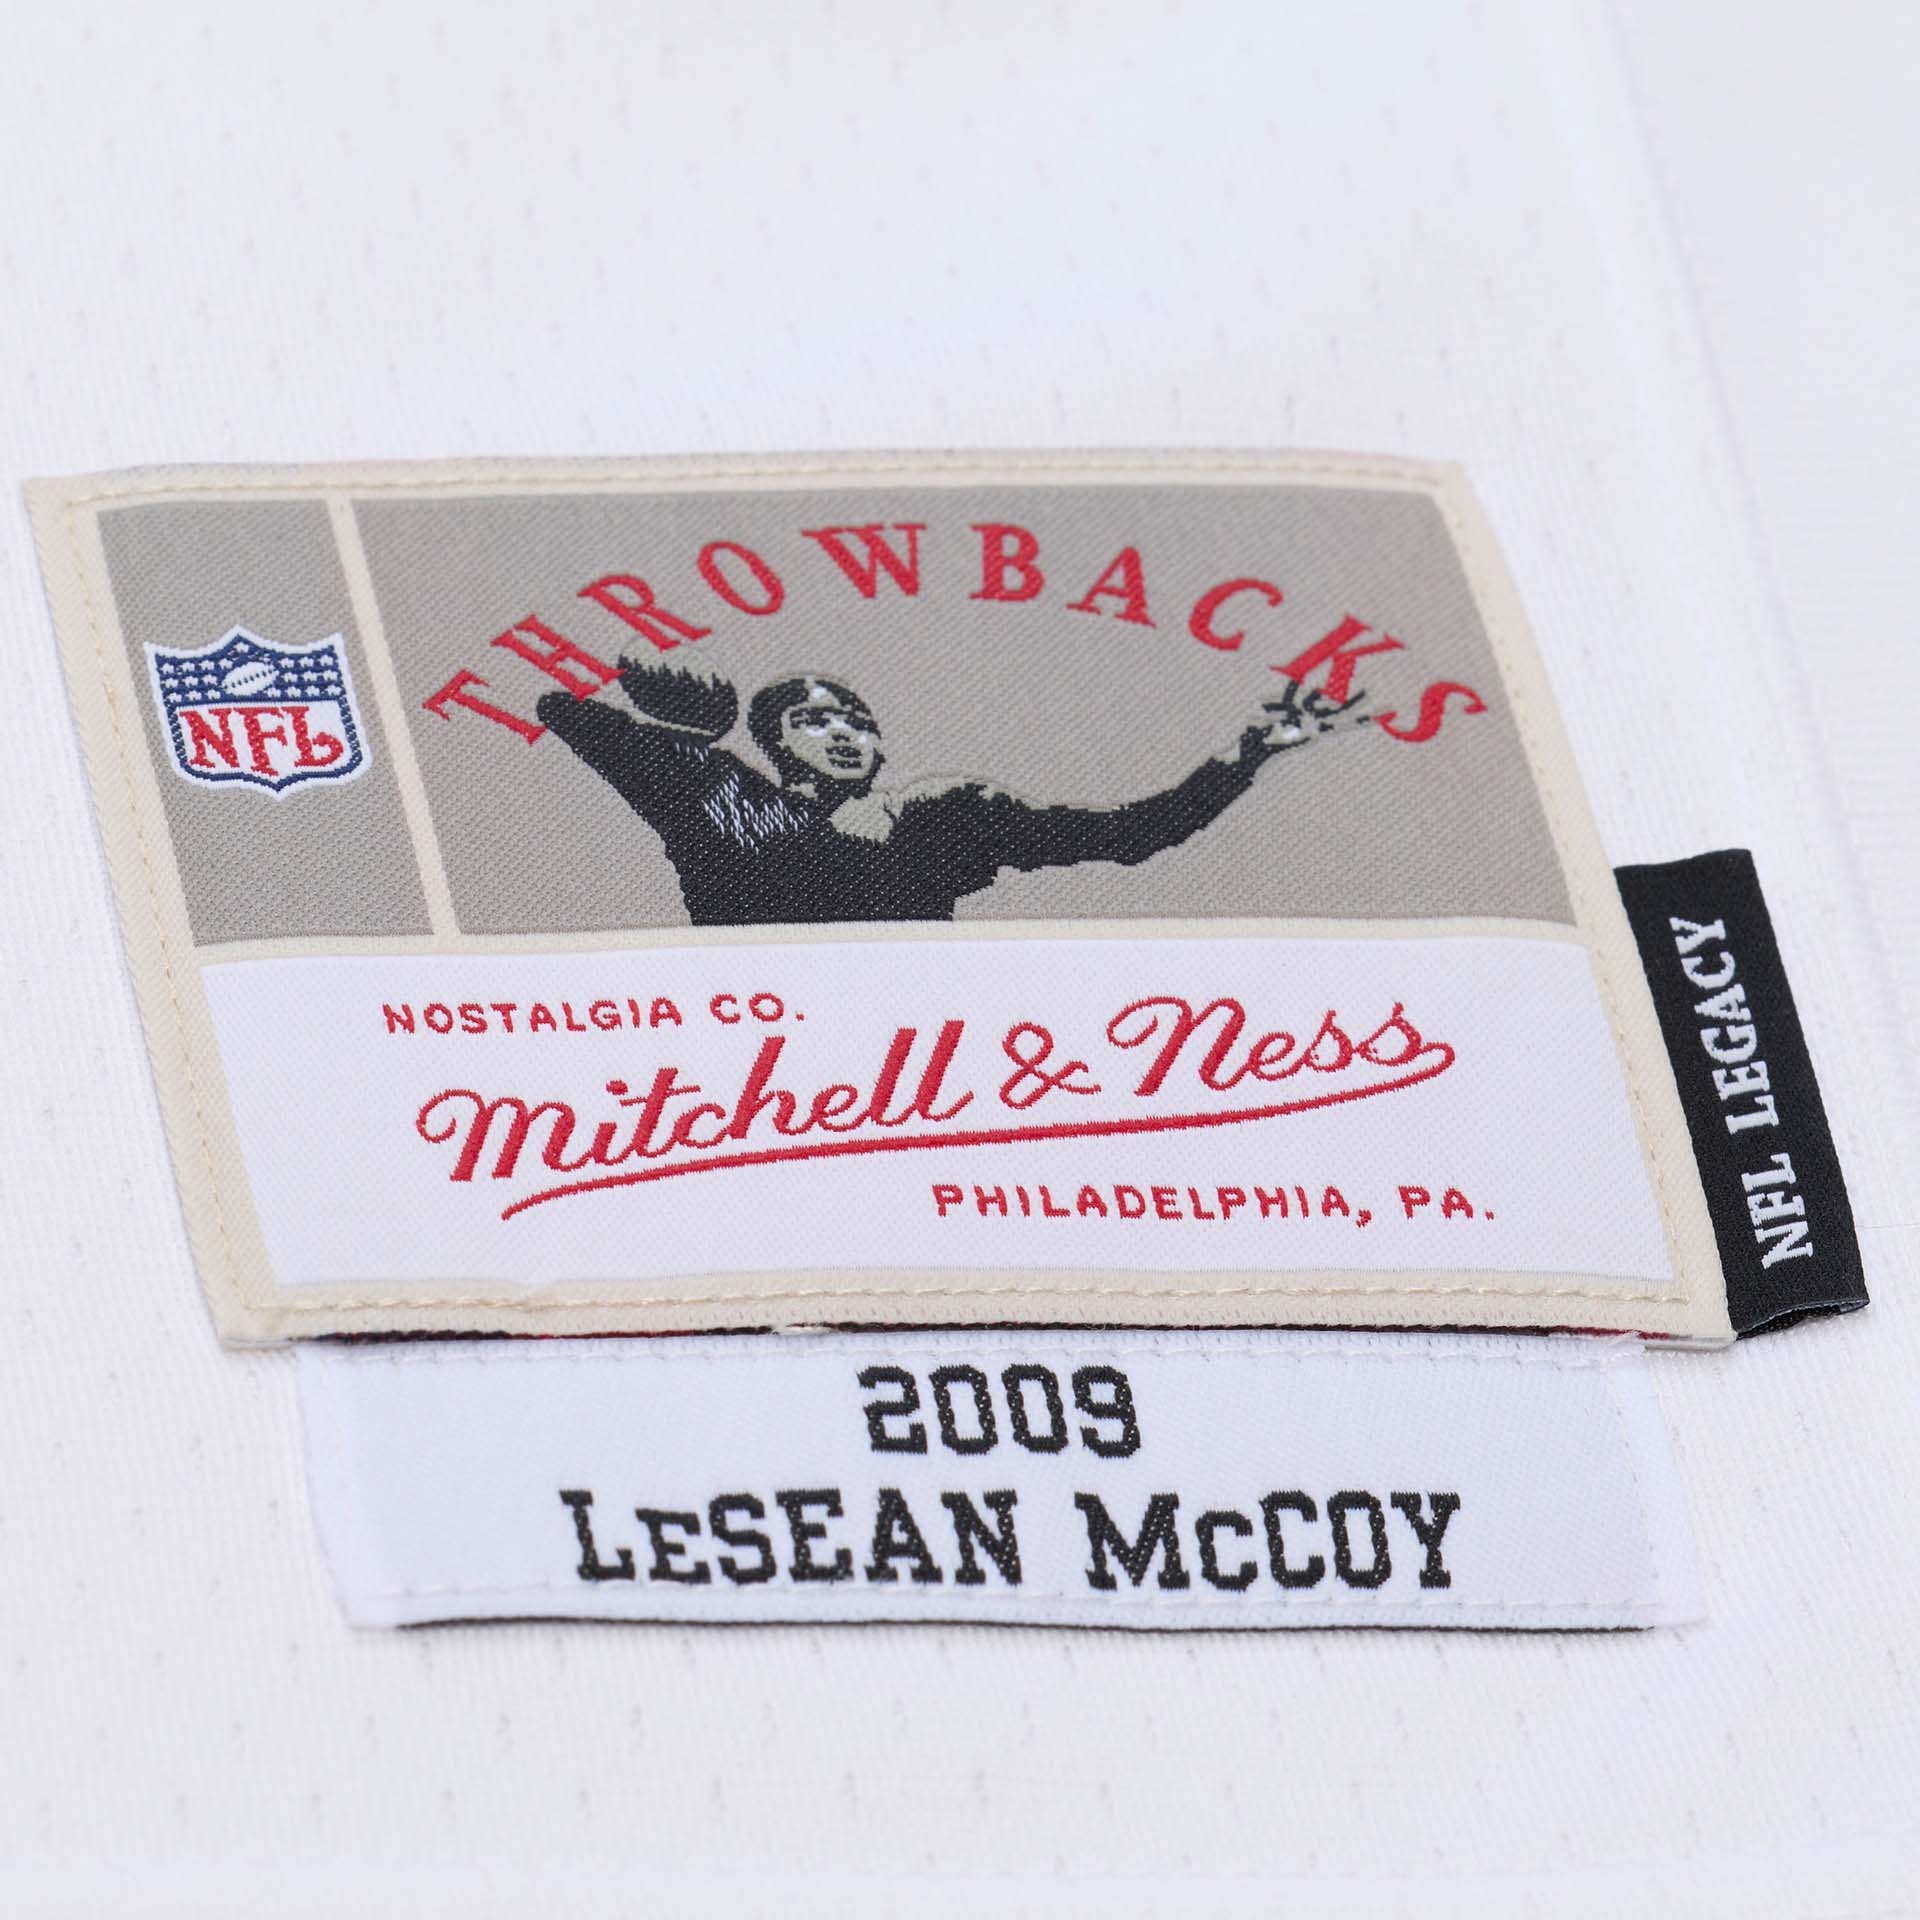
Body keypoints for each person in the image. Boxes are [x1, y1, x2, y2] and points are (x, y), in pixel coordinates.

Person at [537, 655, 1369, 926]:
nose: (846, 732)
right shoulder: (720, 798)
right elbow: (560, 710)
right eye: (816, 719)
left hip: (911, 1052)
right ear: (774, 740)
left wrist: (1247, 754)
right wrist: (690, 728)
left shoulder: (941, 815)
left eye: (859, 721)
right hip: (744, 1043)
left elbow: (1129, 836)